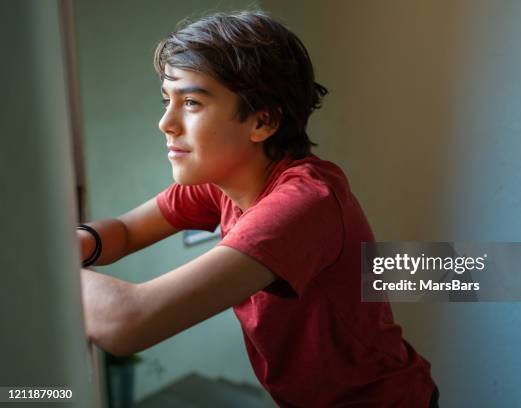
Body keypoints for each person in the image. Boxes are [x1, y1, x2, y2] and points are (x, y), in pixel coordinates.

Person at [77, 10, 438, 407]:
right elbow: (125, 232)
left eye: (192, 102)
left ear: (262, 121)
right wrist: (79, 242)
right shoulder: (223, 183)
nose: (166, 122)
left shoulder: (304, 204)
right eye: (167, 100)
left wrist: (40, 267)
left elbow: (128, 323)